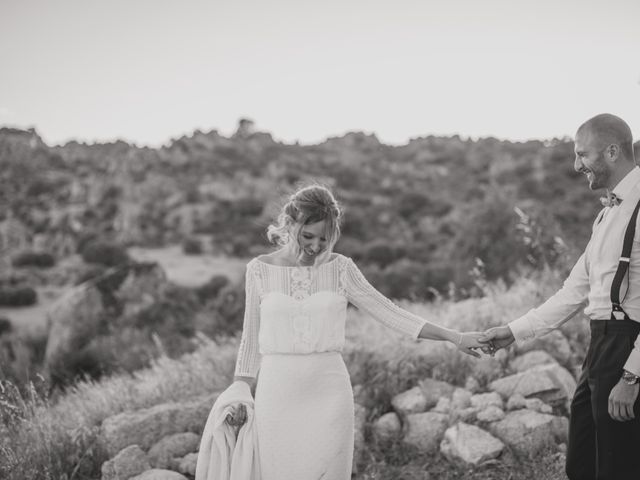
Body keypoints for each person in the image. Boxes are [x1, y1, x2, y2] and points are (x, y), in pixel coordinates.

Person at [225, 184, 484, 480]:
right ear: (290, 223)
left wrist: (455, 337)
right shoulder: (259, 270)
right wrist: (239, 389)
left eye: (324, 239)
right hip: (277, 392)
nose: (315, 246)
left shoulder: (341, 269)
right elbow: (250, 337)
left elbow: (390, 312)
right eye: (307, 236)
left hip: (329, 391)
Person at [479, 113, 640, 479]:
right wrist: (512, 331)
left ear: (612, 152)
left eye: (583, 155)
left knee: (620, 467)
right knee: (581, 464)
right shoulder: (605, 217)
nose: (575, 164)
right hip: (599, 348)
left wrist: (633, 377)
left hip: (628, 348)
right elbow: (572, 293)